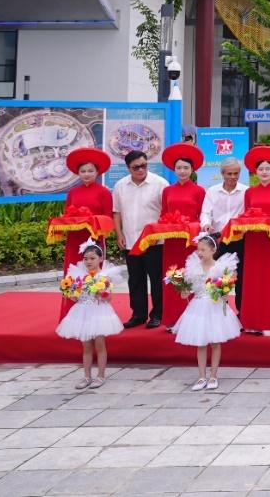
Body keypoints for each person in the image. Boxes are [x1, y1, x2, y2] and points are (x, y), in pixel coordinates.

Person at [234, 145, 270, 336]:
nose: (264, 172)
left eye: (268, 169)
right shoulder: (249, 193)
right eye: (261, 169)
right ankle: (252, 321)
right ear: (255, 171)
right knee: (252, 280)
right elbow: (246, 213)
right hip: (253, 241)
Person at [172, 232, 240, 391]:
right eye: (198, 250)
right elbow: (188, 289)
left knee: (215, 342)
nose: (200, 253)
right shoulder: (193, 267)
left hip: (214, 307)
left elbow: (226, 289)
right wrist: (184, 292)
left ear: (212, 250)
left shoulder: (220, 267)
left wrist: (222, 290)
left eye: (203, 250)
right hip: (198, 307)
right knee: (200, 343)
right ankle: (202, 376)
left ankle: (213, 375)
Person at [56, 239, 124, 389]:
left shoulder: (104, 276)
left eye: (92, 258)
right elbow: (75, 297)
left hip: (99, 312)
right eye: (85, 258)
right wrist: (69, 292)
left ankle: (101, 375)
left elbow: (109, 297)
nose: (88, 261)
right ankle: (86, 376)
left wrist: (101, 292)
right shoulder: (77, 275)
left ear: (100, 259)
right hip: (83, 312)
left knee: (100, 344)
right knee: (86, 346)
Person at [113, 149, 168, 329]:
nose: (140, 170)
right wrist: (119, 234)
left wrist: (158, 235)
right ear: (128, 168)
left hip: (154, 242)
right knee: (135, 280)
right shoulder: (120, 185)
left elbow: (166, 213)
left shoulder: (160, 184)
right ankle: (138, 314)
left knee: (156, 279)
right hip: (130, 240)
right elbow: (117, 212)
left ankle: (158, 314)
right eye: (136, 167)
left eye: (144, 165)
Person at [56, 148, 114, 320]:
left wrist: (91, 221)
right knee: (73, 273)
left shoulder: (103, 192)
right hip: (74, 240)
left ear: (97, 172)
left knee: (94, 274)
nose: (86, 174)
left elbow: (108, 219)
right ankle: (71, 315)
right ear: (78, 173)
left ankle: (96, 315)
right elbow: (68, 215)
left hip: (94, 240)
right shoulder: (73, 192)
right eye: (83, 171)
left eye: (90, 171)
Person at [157, 143, 206, 331]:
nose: (182, 171)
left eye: (186, 168)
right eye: (179, 168)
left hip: (191, 242)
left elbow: (203, 216)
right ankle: (172, 318)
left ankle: (193, 318)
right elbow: (163, 213)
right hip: (172, 242)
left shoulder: (199, 191)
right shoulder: (167, 190)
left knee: (192, 275)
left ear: (192, 169)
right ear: (173, 169)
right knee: (173, 276)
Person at [199, 158, 246, 309]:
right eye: (229, 173)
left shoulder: (246, 191)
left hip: (240, 239)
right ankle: (218, 310)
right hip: (218, 240)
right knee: (216, 276)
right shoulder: (212, 191)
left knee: (240, 277)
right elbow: (205, 212)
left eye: (236, 173)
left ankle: (241, 312)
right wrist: (206, 224)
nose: (233, 177)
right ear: (222, 174)